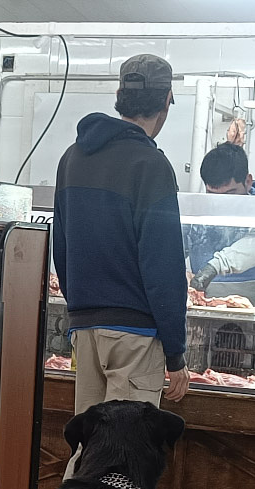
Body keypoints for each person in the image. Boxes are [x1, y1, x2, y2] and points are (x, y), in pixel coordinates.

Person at [52, 53, 190, 412]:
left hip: (84, 331)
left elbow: (62, 249)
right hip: (135, 337)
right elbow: (164, 266)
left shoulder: (72, 159)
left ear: (119, 95)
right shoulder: (151, 165)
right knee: (123, 454)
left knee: (91, 445)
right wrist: (175, 355)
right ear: (166, 101)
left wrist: (83, 309)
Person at [184, 141, 255, 307]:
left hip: (254, 314)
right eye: (213, 194)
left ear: (248, 181)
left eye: (230, 193)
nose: (221, 203)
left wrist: (213, 267)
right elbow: (174, 246)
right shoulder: (197, 212)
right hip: (205, 310)